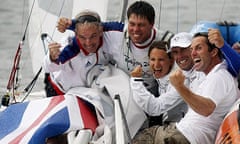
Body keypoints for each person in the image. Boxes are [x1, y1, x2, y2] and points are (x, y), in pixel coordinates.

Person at [131, 30, 239, 144]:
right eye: (175, 52)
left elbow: (207, 109)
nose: (180, 56)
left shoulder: (217, 74)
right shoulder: (196, 72)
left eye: (184, 50)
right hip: (181, 129)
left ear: (213, 52)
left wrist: (136, 81)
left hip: (186, 135)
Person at [55, 1, 174, 96]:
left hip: (153, 97)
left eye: (141, 25)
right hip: (126, 95)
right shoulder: (119, 31)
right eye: (132, 24)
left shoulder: (165, 40)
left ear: (152, 24)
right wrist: (70, 24)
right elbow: (96, 27)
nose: (135, 30)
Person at [43, 10, 124, 95]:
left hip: (88, 92)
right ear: (76, 35)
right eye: (82, 37)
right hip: (60, 91)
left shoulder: (108, 35)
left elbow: (129, 29)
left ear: (100, 32)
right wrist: (52, 57)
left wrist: (72, 23)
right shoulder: (70, 48)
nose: (88, 43)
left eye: (93, 36)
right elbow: (48, 67)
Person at [130, 40, 187, 126]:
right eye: (153, 59)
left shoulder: (179, 80)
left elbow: (155, 108)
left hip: (182, 129)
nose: (156, 65)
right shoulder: (163, 77)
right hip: (170, 125)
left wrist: (136, 81)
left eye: (161, 60)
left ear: (171, 61)